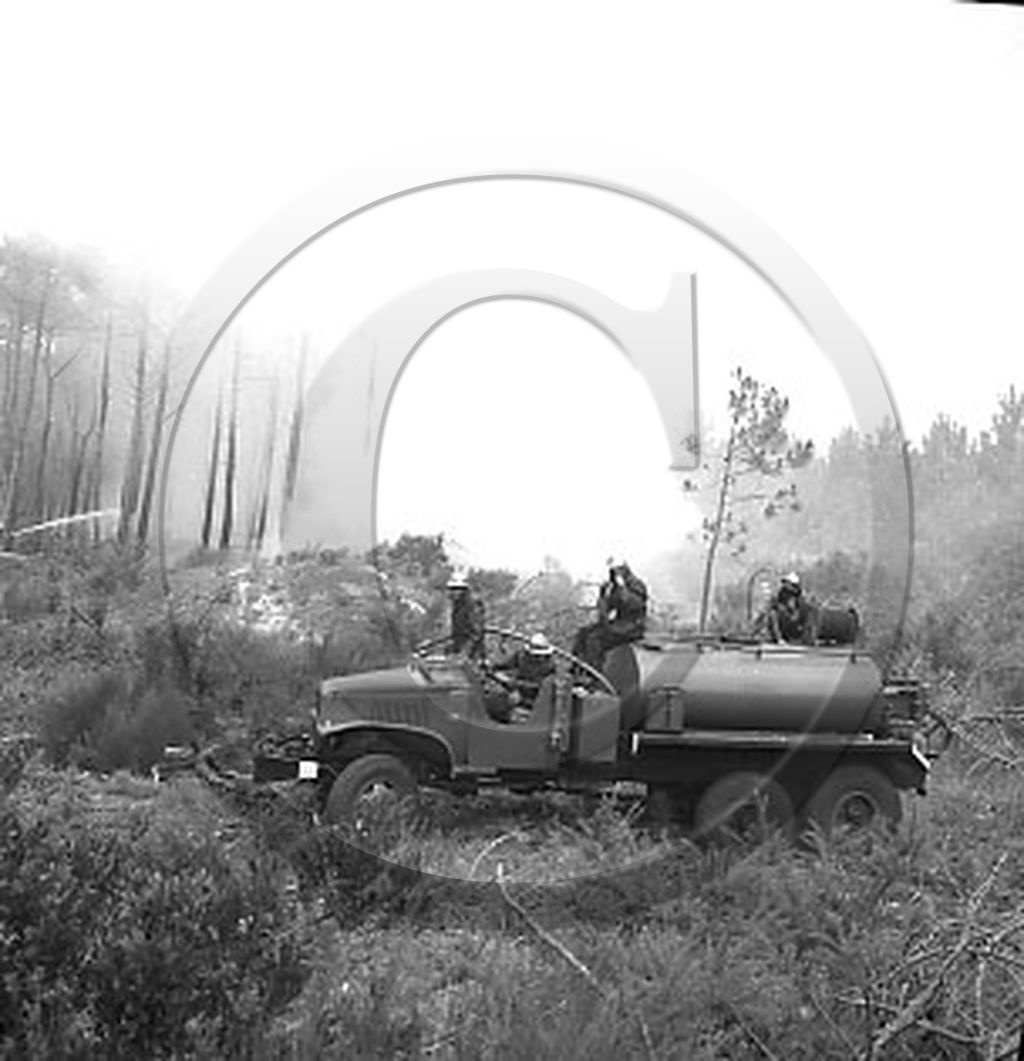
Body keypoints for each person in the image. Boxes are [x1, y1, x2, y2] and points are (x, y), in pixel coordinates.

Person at [571, 557, 648, 670]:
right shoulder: (613, 587)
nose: (614, 573)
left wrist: (622, 587)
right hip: (619, 624)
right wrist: (604, 595)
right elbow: (605, 610)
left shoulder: (636, 585)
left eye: (617, 570)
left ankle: (595, 672)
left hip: (632, 627)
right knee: (583, 633)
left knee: (595, 639)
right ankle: (577, 669)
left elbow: (633, 604)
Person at [493, 632, 557, 708]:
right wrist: (511, 686)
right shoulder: (521, 656)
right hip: (515, 691)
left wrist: (517, 685)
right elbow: (499, 668)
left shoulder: (549, 665)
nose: (538, 658)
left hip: (536, 698)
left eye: (540, 656)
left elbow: (545, 686)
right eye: (535, 655)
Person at [756, 572, 814, 645]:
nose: (785, 585)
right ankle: (761, 633)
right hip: (785, 623)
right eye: (785, 583)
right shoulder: (782, 595)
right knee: (770, 613)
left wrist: (781, 609)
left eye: (787, 583)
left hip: (794, 626)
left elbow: (794, 614)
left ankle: (779, 639)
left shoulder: (798, 599)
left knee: (773, 614)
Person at [447, 570, 485, 660]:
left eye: (456, 589)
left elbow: (476, 633)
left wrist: (465, 653)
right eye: (452, 589)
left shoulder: (473, 605)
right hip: (460, 649)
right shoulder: (457, 606)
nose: (453, 592)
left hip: (473, 655)